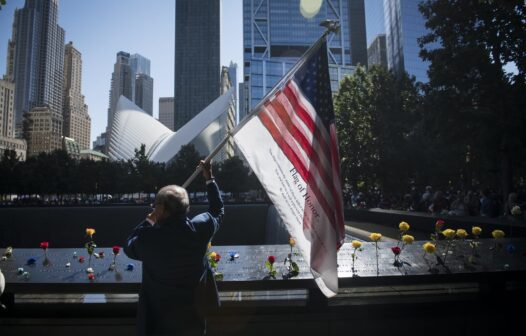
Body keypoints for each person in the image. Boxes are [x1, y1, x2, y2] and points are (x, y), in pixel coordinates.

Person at [124, 160, 223, 336]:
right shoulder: (201, 228)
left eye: (156, 205)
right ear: (188, 208)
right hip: (193, 322)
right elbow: (217, 210)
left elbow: (128, 245)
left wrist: (148, 221)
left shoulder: (148, 238)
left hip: (156, 324)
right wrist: (209, 178)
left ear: (160, 209)